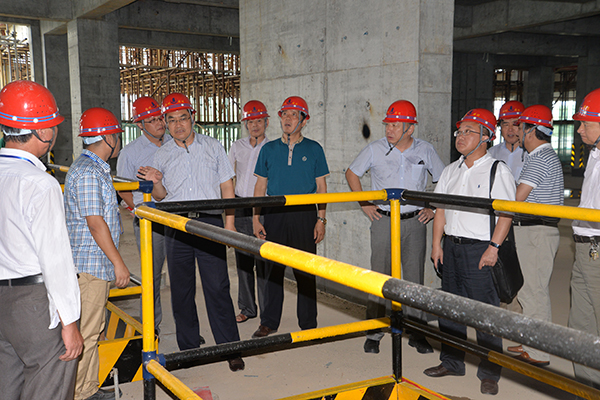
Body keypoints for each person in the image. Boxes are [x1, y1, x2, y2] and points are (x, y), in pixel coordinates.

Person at [142, 93, 244, 372]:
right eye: (172, 120)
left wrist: (230, 223)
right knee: (181, 290)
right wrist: (155, 182)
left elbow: (226, 187)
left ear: (193, 117)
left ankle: (230, 347)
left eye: (183, 118)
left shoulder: (213, 147)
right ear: (166, 122)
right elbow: (161, 196)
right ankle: (189, 349)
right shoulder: (162, 154)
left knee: (217, 286)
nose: (178, 125)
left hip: (210, 222)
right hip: (176, 225)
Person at [0, 80, 83, 400]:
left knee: (8, 384)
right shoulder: (40, 184)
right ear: (44, 131)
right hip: (32, 302)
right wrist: (69, 321)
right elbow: (55, 259)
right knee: (50, 376)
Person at [424, 108, 516, 396]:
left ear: (486, 137)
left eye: (468, 131)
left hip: (480, 249)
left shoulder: (497, 170)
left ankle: (489, 372)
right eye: (459, 131)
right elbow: (440, 210)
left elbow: (506, 214)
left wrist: (493, 248)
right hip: (451, 247)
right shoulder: (450, 170)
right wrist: (436, 244)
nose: (460, 136)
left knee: (484, 315)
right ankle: (452, 362)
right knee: (449, 310)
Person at [345, 100, 445, 355]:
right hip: (383, 220)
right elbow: (351, 173)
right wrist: (364, 203)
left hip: (414, 222)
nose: (389, 130)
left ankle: (416, 332)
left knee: (414, 279)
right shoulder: (375, 149)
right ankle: (374, 332)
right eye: (387, 125)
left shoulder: (425, 150)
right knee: (379, 276)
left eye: (395, 125)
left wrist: (433, 209)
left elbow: (444, 179)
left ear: (410, 128)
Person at [64, 107, 131, 400]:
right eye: (116, 134)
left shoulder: (92, 168)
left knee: (92, 330)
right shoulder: (89, 173)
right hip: (90, 266)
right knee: (88, 333)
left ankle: (87, 387)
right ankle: (82, 393)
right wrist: (119, 264)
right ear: (107, 137)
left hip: (92, 265)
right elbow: (95, 223)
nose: (118, 139)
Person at [251, 96, 329, 338]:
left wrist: (321, 219)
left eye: (294, 114)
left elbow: (322, 187)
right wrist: (256, 218)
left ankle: (308, 323)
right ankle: (268, 322)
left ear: (304, 121)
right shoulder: (268, 149)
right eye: (284, 114)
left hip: (304, 214)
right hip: (274, 213)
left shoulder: (314, 149)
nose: (288, 118)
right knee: (272, 270)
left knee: (305, 270)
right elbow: (260, 186)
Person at [505, 105, 563, 366]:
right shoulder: (542, 156)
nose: (517, 132)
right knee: (528, 289)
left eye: (520, 127)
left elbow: (517, 197)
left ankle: (539, 352)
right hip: (534, 230)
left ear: (530, 130)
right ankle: (529, 341)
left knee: (534, 291)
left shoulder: (540, 158)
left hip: (536, 231)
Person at [117, 96, 170, 335]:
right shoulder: (130, 153)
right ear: (139, 124)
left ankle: (187, 326)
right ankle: (151, 326)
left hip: (176, 215)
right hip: (149, 219)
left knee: (182, 274)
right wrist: (139, 211)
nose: (160, 123)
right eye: (152, 120)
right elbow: (124, 189)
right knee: (152, 275)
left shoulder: (174, 144)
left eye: (161, 118)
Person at [228, 100, 270, 324]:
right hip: (241, 206)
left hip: (264, 207)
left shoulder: (273, 148)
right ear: (245, 124)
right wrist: (229, 215)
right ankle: (247, 308)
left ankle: (267, 313)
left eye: (259, 121)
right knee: (243, 261)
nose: (255, 125)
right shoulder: (237, 146)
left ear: (266, 123)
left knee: (264, 261)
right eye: (250, 121)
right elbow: (227, 177)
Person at [569, 87, 600, 392]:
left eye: (586, 124)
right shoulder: (595, 154)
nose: (580, 130)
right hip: (583, 246)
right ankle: (587, 388)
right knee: (580, 323)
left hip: (597, 247)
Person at [488, 100, 526, 181]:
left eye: (515, 124)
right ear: (500, 127)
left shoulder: (530, 154)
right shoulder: (491, 154)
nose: (510, 129)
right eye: (506, 124)